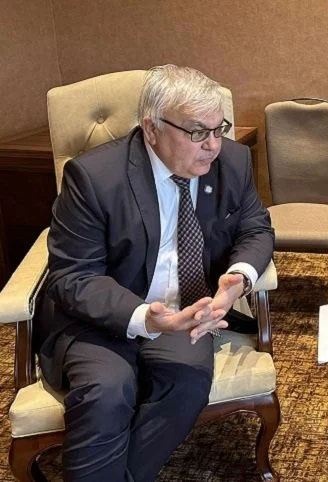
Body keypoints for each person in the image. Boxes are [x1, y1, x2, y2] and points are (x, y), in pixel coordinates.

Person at [35, 65, 274, 481]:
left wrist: (238, 277)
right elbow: (73, 276)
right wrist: (144, 317)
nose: (213, 145)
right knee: (106, 392)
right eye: (197, 132)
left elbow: (256, 228)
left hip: (185, 314)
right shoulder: (94, 177)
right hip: (101, 320)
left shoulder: (233, 161)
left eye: (219, 129)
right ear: (151, 129)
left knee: (188, 380)